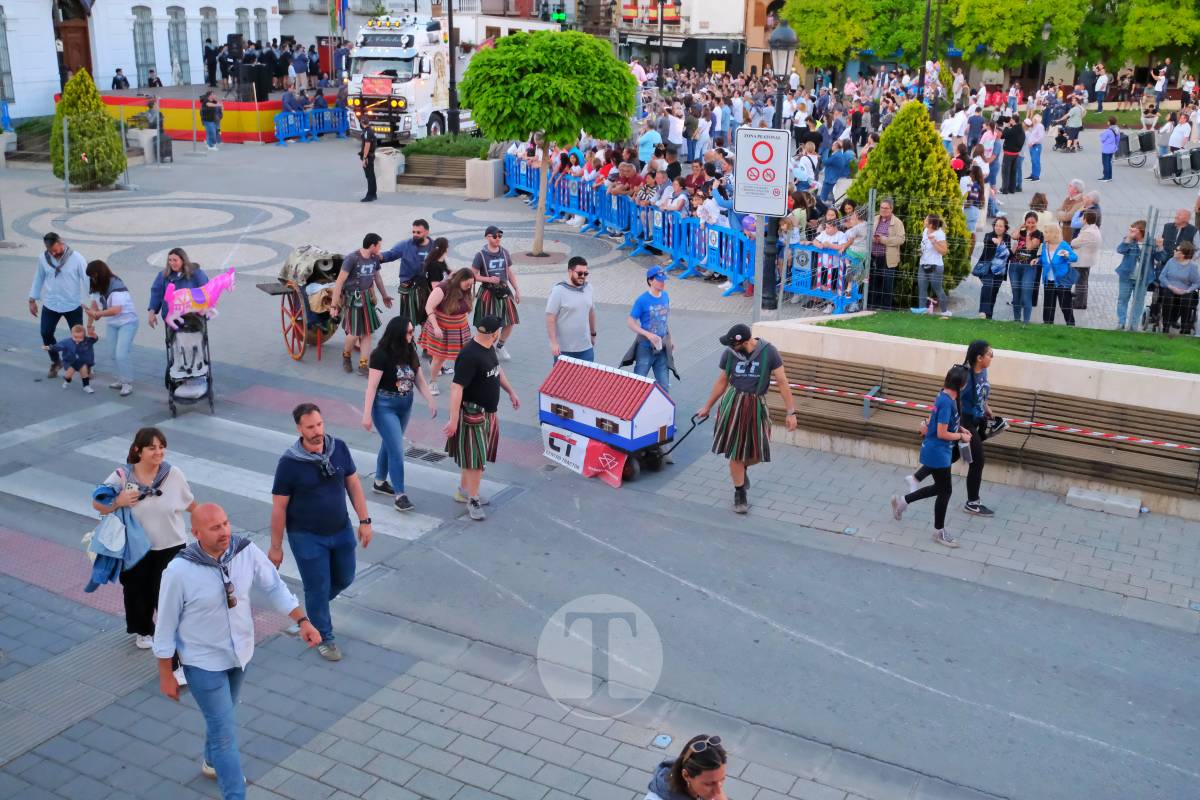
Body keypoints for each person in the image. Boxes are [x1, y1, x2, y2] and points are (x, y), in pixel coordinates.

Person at [155, 503, 322, 797]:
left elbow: (274, 586)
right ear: (196, 533)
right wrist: (165, 674)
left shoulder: (244, 552)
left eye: (226, 523)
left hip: (240, 654)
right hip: (202, 662)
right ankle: (234, 793)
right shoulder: (179, 571)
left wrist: (302, 620)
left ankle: (210, 762)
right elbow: (165, 626)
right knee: (225, 734)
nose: (224, 532)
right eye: (215, 527)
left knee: (222, 717)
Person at [269, 403, 372, 662]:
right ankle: (324, 637)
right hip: (307, 537)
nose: (317, 431)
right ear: (299, 429)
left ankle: (308, 617)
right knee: (317, 587)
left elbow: (353, 483)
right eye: (310, 427)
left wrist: (365, 520)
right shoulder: (289, 463)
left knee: (345, 578)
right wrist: (276, 546)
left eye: (319, 424)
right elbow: (279, 507)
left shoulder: (339, 449)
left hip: (341, 530)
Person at [91, 427, 197, 649]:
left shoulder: (173, 474)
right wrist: (118, 501)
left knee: (168, 592)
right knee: (137, 590)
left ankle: (174, 631)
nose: (158, 452)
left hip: (171, 544)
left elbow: (189, 503)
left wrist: (202, 521)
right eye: (152, 448)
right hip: (135, 546)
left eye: (161, 447)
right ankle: (143, 630)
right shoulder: (122, 476)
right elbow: (97, 503)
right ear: (138, 451)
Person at [697, 325, 797, 515]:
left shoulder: (769, 352)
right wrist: (707, 406)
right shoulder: (729, 354)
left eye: (733, 344)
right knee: (736, 452)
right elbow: (722, 380)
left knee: (758, 452)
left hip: (756, 404)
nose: (730, 347)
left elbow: (783, 382)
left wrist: (791, 412)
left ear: (744, 342)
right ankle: (740, 492)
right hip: (733, 403)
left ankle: (741, 470)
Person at [442, 316, 520, 521]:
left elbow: (497, 370)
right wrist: (453, 419)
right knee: (475, 460)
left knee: (472, 456)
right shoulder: (469, 355)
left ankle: (464, 491)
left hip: (487, 413)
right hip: (472, 414)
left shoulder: (487, 348)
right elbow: (456, 387)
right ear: (495, 334)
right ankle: (473, 499)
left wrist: (511, 391)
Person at [891, 365, 971, 549]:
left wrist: (960, 428)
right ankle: (938, 531)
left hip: (941, 451)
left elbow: (946, 423)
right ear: (961, 384)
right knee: (945, 490)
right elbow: (942, 433)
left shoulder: (946, 395)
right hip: (937, 452)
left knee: (942, 489)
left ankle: (903, 501)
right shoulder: (946, 401)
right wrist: (961, 436)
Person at [363, 317, 437, 512]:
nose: (412, 335)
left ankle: (379, 482)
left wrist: (430, 400)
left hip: (405, 405)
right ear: (397, 333)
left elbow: (419, 379)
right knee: (396, 449)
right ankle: (400, 495)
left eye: (412, 331)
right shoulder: (380, 355)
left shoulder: (409, 350)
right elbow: (371, 387)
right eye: (409, 332)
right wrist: (366, 415)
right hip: (384, 406)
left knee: (389, 444)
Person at [330, 233, 394, 376]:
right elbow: (339, 282)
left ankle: (363, 364)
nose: (380, 248)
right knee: (353, 334)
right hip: (353, 299)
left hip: (367, 299)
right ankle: (346, 357)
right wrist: (334, 305)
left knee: (367, 333)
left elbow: (377, 277)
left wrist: (384, 296)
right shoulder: (351, 258)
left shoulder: (374, 259)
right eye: (379, 245)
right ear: (372, 246)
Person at [29, 232, 88, 380]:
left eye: (55, 250)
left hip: (72, 304)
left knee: (79, 338)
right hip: (51, 303)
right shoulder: (43, 258)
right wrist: (32, 299)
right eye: (50, 251)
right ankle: (56, 361)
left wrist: (92, 303)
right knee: (46, 333)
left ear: (61, 243)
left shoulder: (77, 258)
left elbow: (87, 280)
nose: (53, 253)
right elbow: (39, 277)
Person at [960, 340, 1007, 518]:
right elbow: (949, 398)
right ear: (979, 358)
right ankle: (972, 503)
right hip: (965, 422)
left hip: (977, 419)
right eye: (989, 355)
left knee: (953, 457)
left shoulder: (983, 371)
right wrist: (957, 428)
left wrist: (986, 406)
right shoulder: (964, 377)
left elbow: (983, 391)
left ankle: (915, 481)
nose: (992, 357)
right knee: (977, 461)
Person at [84, 260, 138, 396]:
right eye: (90, 277)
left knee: (121, 353)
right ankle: (121, 379)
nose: (92, 279)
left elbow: (116, 310)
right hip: (113, 323)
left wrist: (97, 314)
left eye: (93, 276)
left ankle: (127, 383)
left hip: (128, 322)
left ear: (100, 273)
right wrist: (90, 323)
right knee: (112, 353)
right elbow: (95, 307)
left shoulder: (116, 285)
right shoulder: (96, 286)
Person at [420, 268, 477, 396]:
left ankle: (463, 382)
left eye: (471, 284)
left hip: (460, 328)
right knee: (439, 358)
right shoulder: (443, 288)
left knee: (464, 356)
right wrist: (435, 327)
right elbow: (429, 307)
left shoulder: (467, 289)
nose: (469, 287)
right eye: (467, 284)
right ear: (459, 280)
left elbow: (466, 307)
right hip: (441, 327)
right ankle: (432, 382)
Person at [471, 226, 520, 361]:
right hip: (488, 292)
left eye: (500, 236)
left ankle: (500, 346)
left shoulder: (505, 252)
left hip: (504, 291)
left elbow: (509, 272)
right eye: (495, 236)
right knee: (489, 325)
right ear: (487, 237)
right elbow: (473, 275)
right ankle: (485, 349)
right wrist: (488, 279)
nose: (498, 239)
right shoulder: (480, 255)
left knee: (510, 321)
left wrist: (516, 290)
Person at [380, 219, 434, 327]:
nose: (415, 234)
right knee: (407, 321)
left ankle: (427, 342)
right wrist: (377, 256)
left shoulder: (434, 246)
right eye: (413, 232)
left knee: (428, 320)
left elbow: (441, 267)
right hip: (408, 287)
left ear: (427, 232)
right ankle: (407, 342)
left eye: (419, 232)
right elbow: (390, 255)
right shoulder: (405, 245)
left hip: (427, 287)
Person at [628, 267, 672, 391]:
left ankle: (664, 408)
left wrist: (670, 340)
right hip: (645, 348)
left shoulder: (665, 296)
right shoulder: (642, 300)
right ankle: (633, 407)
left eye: (664, 280)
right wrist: (647, 334)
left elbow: (664, 321)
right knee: (639, 384)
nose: (663, 283)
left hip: (661, 347)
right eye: (659, 280)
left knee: (664, 385)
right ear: (650, 281)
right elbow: (630, 322)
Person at [645, 734, 728, 800]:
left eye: (722, 779)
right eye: (709, 784)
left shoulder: (711, 784)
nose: (718, 791)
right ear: (686, 775)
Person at [546, 257, 596, 362]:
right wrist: (553, 343)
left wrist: (593, 333)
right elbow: (550, 318)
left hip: (585, 348)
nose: (582, 276)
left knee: (587, 378)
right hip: (564, 350)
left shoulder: (589, 288)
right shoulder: (558, 291)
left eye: (585, 274)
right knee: (562, 379)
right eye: (580, 273)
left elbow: (591, 312)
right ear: (570, 271)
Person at [148, 248, 209, 328]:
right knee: (173, 340)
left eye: (175, 260)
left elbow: (207, 290)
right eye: (170, 260)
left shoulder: (196, 273)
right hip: (172, 317)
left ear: (183, 260)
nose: (172, 263)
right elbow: (156, 293)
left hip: (194, 317)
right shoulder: (163, 275)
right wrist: (152, 312)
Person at [1158, 241, 1200, 335]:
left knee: (1187, 299)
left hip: (1184, 291)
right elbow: (1162, 276)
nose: (1174, 251)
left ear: (1183, 254)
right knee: (1167, 297)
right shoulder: (1171, 261)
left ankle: (1185, 327)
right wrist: (1171, 286)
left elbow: (1197, 283)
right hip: (1170, 288)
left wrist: (1187, 290)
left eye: (1177, 250)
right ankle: (1166, 326)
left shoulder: (1192, 266)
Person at [1040, 225, 1078, 326]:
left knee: (1065, 305)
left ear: (1054, 234)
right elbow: (1043, 259)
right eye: (1045, 231)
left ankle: (1071, 325)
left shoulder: (1063, 245)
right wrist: (1037, 260)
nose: (1044, 233)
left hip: (1062, 281)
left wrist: (1067, 255)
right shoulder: (1044, 245)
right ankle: (1047, 326)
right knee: (1048, 305)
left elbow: (1074, 258)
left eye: (1047, 232)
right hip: (1048, 280)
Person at [45, 322, 98, 392]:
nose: (78, 339)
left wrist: (92, 333)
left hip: (82, 361)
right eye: (75, 337)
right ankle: (67, 381)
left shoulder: (87, 341)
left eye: (80, 338)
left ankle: (86, 386)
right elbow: (58, 346)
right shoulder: (67, 342)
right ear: (71, 335)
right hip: (71, 361)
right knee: (67, 376)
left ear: (84, 336)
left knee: (84, 373)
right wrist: (49, 347)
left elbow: (95, 338)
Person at [975, 217, 1010, 319]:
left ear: (1005, 228)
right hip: (987, 269)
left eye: (1000, 226)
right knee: (988, 285)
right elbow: (987, 240)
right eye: (996, 225)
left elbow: (1007, 253)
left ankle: (989, 315)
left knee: (994, 291)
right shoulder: (989, 235)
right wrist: (994, 241)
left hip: (1000, 271)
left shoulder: (1007, 238)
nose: (998, 227)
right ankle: (983, 311)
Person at [1115, 220, 1147, 329]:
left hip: (1142, 278)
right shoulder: (1129, 240)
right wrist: (1129, 238)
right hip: (1126, 276)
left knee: (1138, 302)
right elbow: (1120, 250)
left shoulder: (1150, 242)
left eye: (1134, 230)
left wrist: (1160, 247)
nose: (1131, 232)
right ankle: (1121, 322)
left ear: (1141, 231)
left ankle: (1134, 324)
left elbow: (1160, 257)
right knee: (1122, 299)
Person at [915, 214, 950, 315]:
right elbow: (924, 246)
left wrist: (934, 242)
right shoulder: (925, 231)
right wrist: (920, 251)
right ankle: (922, 311)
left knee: (937, 289)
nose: (923, 221)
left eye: (925, 220)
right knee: (922, 288)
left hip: (935, 267)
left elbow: (944, 251)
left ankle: (945, 311)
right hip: (923, 264)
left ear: (930, 224)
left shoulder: (940, 234)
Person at [1071, 210, 1102, 310]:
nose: (1080, 219)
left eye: (1082, 217)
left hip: (1083, 261)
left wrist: (1074, 241)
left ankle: (1079, 303)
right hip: (1086, 259)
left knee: (1081, 283)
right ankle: (1081, 302)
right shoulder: (1093, 229)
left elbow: (1074, 243)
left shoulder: (1088, 232)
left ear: (1085, 219)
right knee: (1083, 281)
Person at [359, 122, 378, 202]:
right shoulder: (371, 130)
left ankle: (370, 195)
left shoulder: (367, 132)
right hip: (371, 155)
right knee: (372, 175)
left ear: (362, 123)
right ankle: (373, 194)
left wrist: (364, 157)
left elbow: (367, 145)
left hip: (368, 157)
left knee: (369, 176)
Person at [1098, 116, 1119, 182]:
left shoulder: (1108, 131)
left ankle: (1106, 177)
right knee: (1109, 162)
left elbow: (1102, 139)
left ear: (1110, 122)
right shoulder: (1117, 129)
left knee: (1105, 163)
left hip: (1106, 149)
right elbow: (1118, 139)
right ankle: (1109, 177)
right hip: (1113, 148)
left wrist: (1101, 134)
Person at [1025, 114, 1045, 181]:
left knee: (1036, 160)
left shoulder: (1040, 126)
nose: (1033, 120)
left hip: (1036, 145)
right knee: (1033, 160)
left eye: (1034, 119)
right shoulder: (1035, 126)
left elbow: (1041, 137)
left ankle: (1036, 176)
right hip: (1032, 146)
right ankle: (1033, 174)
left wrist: (1032, 143)